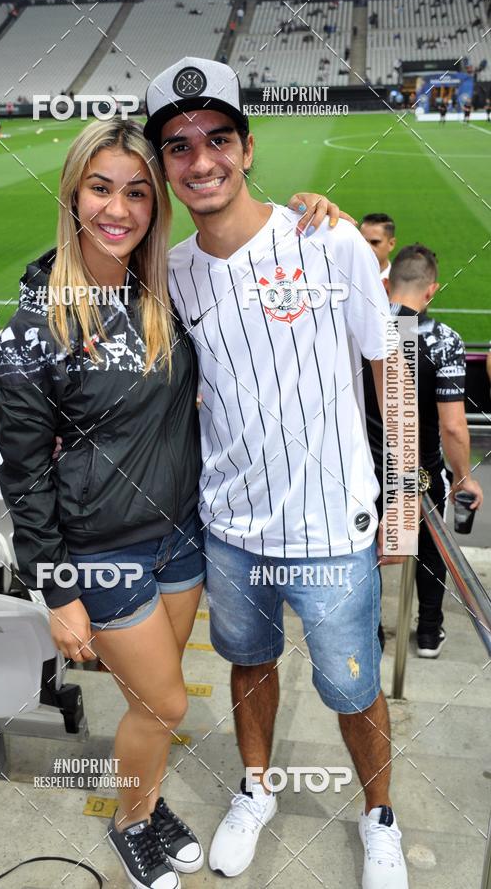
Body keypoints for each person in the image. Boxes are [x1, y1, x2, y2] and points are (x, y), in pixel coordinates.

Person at [0, 116, 343, 889]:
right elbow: (22, 473)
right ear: (73, 194)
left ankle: (146, 801)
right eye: (101, 189)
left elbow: (255, 278)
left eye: (137, 193)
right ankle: (130, 822)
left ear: (155, 205)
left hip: (181, 538)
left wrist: (316, 217)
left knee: (146, 707)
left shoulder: (164, 295)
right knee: (165, 705)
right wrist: (56, 590)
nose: (118, 209)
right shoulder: (34, 326)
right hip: (102, 553)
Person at [144, 57, 409, 889]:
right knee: (249, 662)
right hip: (230, 527)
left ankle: (380, 818)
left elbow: (389, 369)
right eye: (180, 146)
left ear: (248, 147)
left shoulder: (329, 240)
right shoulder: (172, 272)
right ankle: (256, 788)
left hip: (333, 526)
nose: (202, 160)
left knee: (353, 689)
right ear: (165, 165)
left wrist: (404, 498)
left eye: (218, 139)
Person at [364, 245, 483, 657]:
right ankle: (429, 631)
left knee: (364, 548)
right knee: (431, 545)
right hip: (422, 472)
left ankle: (370, 632)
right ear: (432, 289)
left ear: (387, 285)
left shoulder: (360, 332)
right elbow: (453, 425)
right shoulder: (444, 340)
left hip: (364, 469)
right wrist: (464, 477)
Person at [360, 212, 396, 291]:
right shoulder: (346, 279)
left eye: (375, 242)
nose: (368, 248)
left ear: (391, 244)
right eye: (363, 242)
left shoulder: (402, 284)